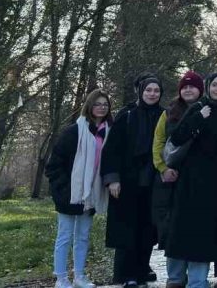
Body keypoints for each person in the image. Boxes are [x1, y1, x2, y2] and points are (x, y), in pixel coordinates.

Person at [166, 72, 217, 288]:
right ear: (208, 87)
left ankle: (198, 281)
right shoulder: (198, 108)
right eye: (214, 85)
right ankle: (176, 278)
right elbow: (177, 137)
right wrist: (198, 118)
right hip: (191, 179)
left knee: (206, 233)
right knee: (182, 229)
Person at [102, 75, 164, 288]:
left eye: (156, 91)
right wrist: (112, 180)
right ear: (141, 91)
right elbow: (112, 150)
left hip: (152, 181)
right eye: (149, 90)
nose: (152, 94)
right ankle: (126, 274)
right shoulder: (126, 115)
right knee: (127, 229)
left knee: (147, 230)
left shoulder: (164, 115)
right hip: (127, 181)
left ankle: (141, 269)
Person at [47, 89, 112, 288]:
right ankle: (61, 278)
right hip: (70, 193)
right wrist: (64, 189)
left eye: (105, 104)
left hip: (92, 192)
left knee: (83, 236)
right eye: (97, 104)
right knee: (64, 235)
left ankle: (80, 276)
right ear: (89, 106)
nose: (101, 107)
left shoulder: (109, 131)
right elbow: (53, 165)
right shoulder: (73, 132)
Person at [152, 70, 204, 288]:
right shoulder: (169, 113)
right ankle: (175, 278)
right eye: (185, 86)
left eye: (193, 86)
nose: (188, 89)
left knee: (198, 230)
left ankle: (197, 280)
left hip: (199, 182)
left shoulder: (207, 110)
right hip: (172, 182)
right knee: (173, 231)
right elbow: (158, 143)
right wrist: (163, 169)